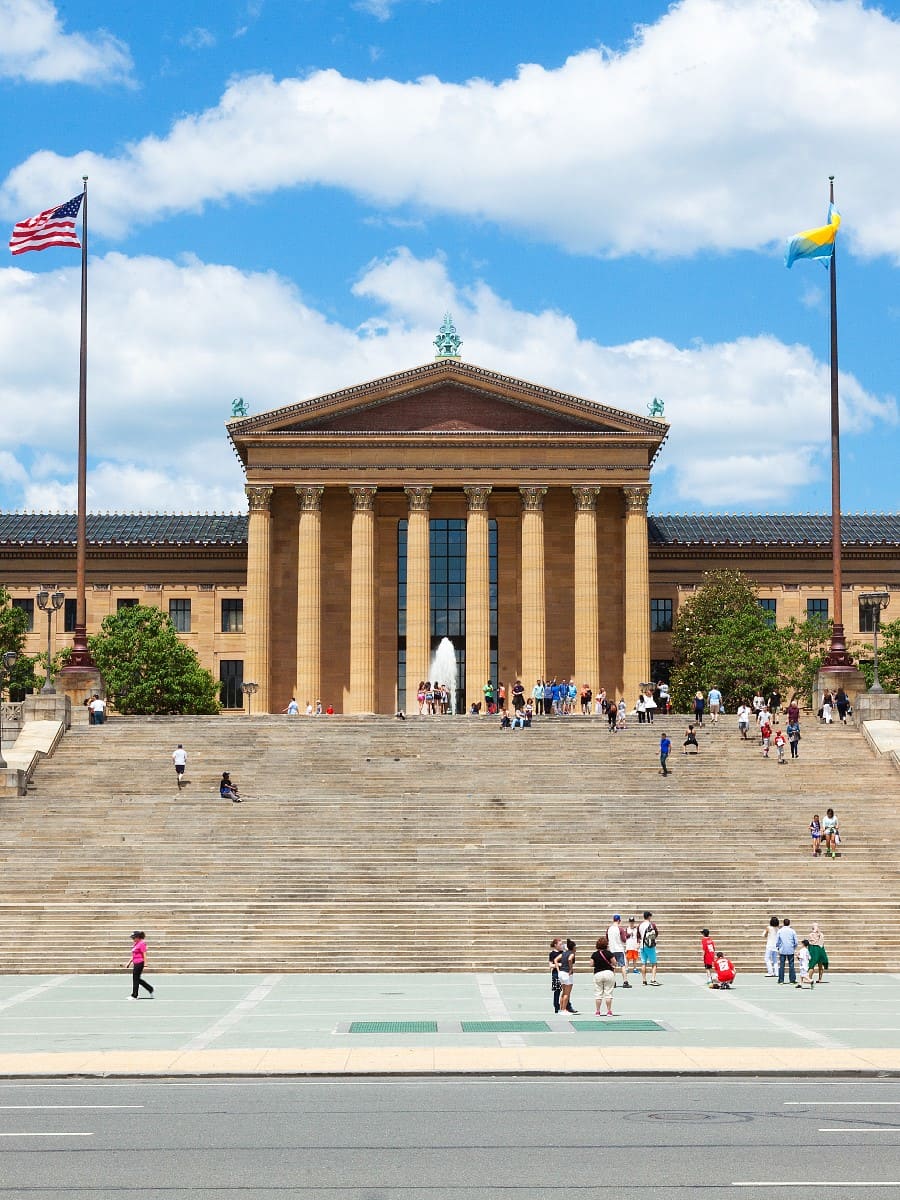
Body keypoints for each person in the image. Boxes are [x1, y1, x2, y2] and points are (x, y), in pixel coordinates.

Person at [591, 936, 618, 1017]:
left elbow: (591, 964)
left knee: (598, 994)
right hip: (608, 973)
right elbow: (615, 963)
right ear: (606, 945)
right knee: (608, 993)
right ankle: (609, 1011)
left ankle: (598, 1011)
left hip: (598, 973)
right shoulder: (609, 953)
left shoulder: (594, 954)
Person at [606, 914, 631, 988]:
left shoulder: (609, 929)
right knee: (622, 966)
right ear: (619, 920)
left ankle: (613, 982)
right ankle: (625, 981)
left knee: (613, 966)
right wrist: (627, 936)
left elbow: (607, 939)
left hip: (611, 949)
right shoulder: (620, 929)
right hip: (619, 949)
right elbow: (624, 940)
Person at [128, 930, 154, 999]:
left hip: (140, 963)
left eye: (134, 938)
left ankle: (134, 995)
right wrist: (129, 962)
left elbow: (144, 954)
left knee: (135, 979)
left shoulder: (142, 943)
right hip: (135, 962)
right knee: (137, 979)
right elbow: (134, 954)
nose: (133, 939)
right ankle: (150, 988)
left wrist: (145, 964)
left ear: (138, 937)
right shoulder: (136, 944)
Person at [639, 912, 660, 986]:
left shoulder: (640, 925)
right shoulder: (652, 925)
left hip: (642, 946)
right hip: (650, 946)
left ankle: (644, 980)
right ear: (649, 917)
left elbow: (638, 935)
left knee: (643, 963)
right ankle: (653, 979)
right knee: (654, 963)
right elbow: (656, 934)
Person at [776, 917, 798, 984]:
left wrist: (778, 947)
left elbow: (777, 941)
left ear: (783, 923)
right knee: (791, 965)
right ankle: (792, 980)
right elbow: (796, 941)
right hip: (790, 949)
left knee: (782, 965)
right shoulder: (792, 931)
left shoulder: (780, 931)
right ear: (789, 923)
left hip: (782, 949)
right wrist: (794, 947)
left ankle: (781, 980)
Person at [558, 939, 577, 1014]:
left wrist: (558, 967)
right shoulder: (572, 954)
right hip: (567, 973)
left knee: (563, 992)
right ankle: (564, 1009)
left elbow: (556, 960)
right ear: (573, 947)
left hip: (561, 972)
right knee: (567, 993)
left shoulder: (563, 953)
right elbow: (569, 959)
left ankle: (561, 1009)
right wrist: (571, 969)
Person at [548, 937, 563, 1014]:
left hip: (563, 973)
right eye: (560, 944)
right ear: (555, 945)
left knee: (565, 990)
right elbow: (550, 965)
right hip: (556, 974)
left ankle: (564, 1006)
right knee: (557, 990)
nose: (561, 945)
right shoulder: (552, 954)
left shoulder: (563, 953)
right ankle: (556, 1006)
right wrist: (559, 964)